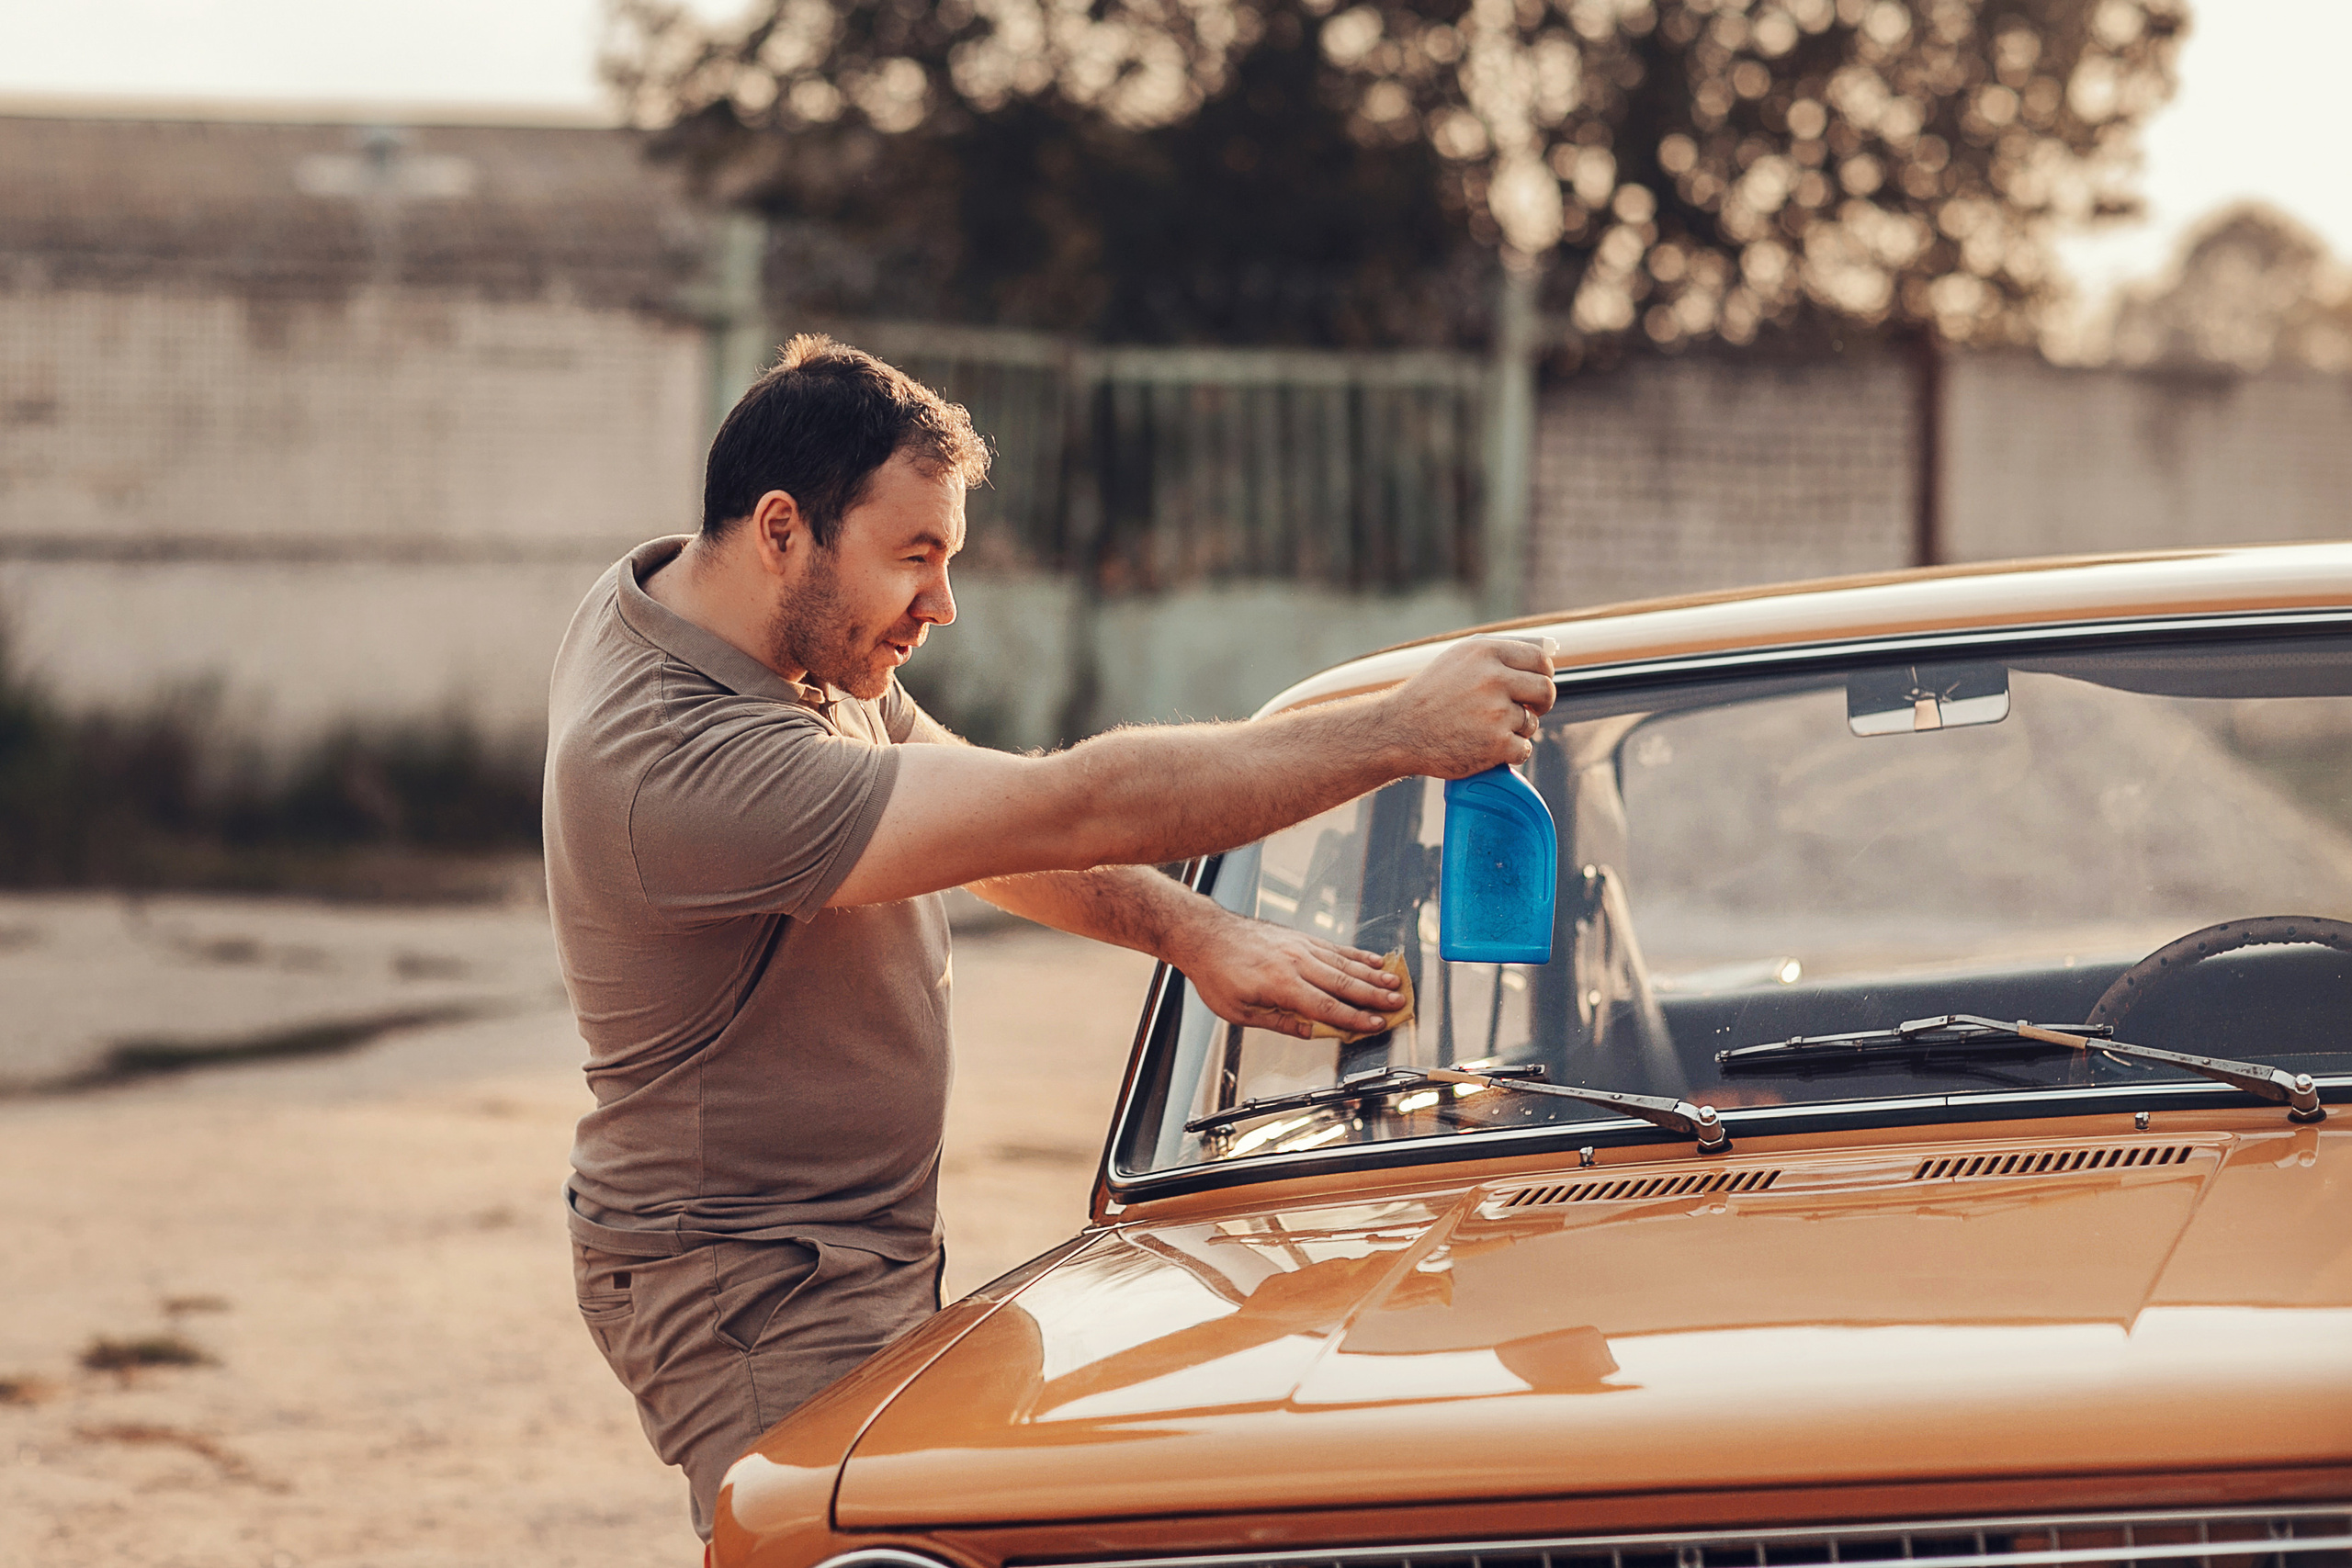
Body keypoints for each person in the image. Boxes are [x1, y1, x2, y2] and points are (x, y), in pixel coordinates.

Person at [543, 334, 1555, 1539]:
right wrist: (1398, 734)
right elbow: (1069, 801)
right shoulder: (675, 760)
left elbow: (978, 813)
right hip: (754, 1278)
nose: (942, 604)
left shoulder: (766, 628)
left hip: (840, 1241)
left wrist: (1194, 931)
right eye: (914, 558)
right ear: (779, 529)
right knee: (860, 1547)